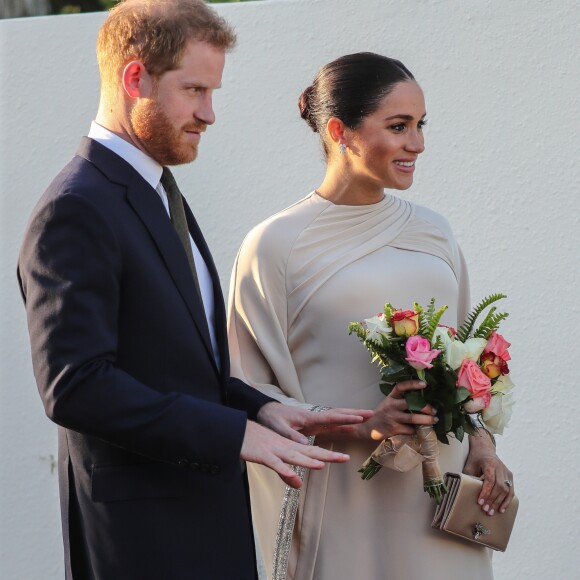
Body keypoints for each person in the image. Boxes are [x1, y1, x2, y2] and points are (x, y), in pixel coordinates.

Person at [16, 3, 372, 579]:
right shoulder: (76, 209)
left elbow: (175, 366)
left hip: (205, 524)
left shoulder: (159, 192)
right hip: (144, 542)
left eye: (214, 91)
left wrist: (264, 410)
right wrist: (236, 435)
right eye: (195, 90)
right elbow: (75, 386)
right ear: (136, 79)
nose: (210, 114)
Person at [228, 52, 515, 580]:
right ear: (341, 130)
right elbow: (245, 390)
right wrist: (365, 427)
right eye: (398, 126)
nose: (418, 144)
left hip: (441, 503)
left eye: (421, 125)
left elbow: (471, 360)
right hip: (344, 499)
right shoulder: (274, 246)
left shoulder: (435, 233)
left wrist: (482, 442)